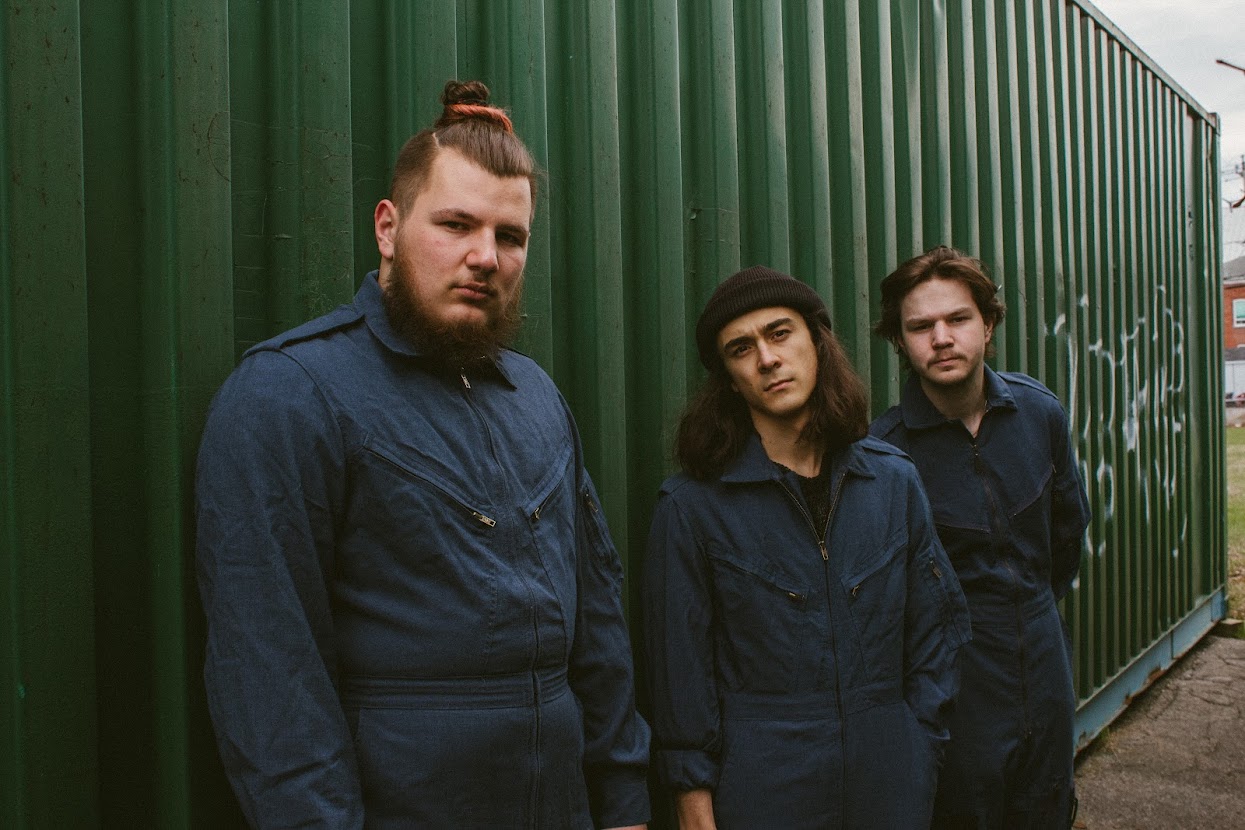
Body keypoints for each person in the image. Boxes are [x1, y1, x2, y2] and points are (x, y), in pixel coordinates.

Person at [195, 80, 650, 830]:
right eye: (455, 224)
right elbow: (269, 673)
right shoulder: (288, 393)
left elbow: (595, 617)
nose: (485, 257)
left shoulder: (533, 395)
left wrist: (624, 801)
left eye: (510, 236)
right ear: (387, 225)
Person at [642, 265, 971, 829]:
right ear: (728, 378)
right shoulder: (692, 508)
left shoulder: (892, 482)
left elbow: (936, 631)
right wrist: (693, 807)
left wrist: (918, 744)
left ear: (816, 343)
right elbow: (679, 682)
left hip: (890, 781)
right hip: (762, 789)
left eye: (779, 333)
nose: (766, 358)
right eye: (740, 348)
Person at [870, 245, 1092, 829]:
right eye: (920, 326)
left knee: (1047, 808)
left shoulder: (1039, 413)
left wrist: (1032, 612)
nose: (941, 338)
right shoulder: (884, 455)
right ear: (901, 340)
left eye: (958, 319)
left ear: (988, 325)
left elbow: (1067, 536)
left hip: (1043, 659)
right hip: (955, 689)